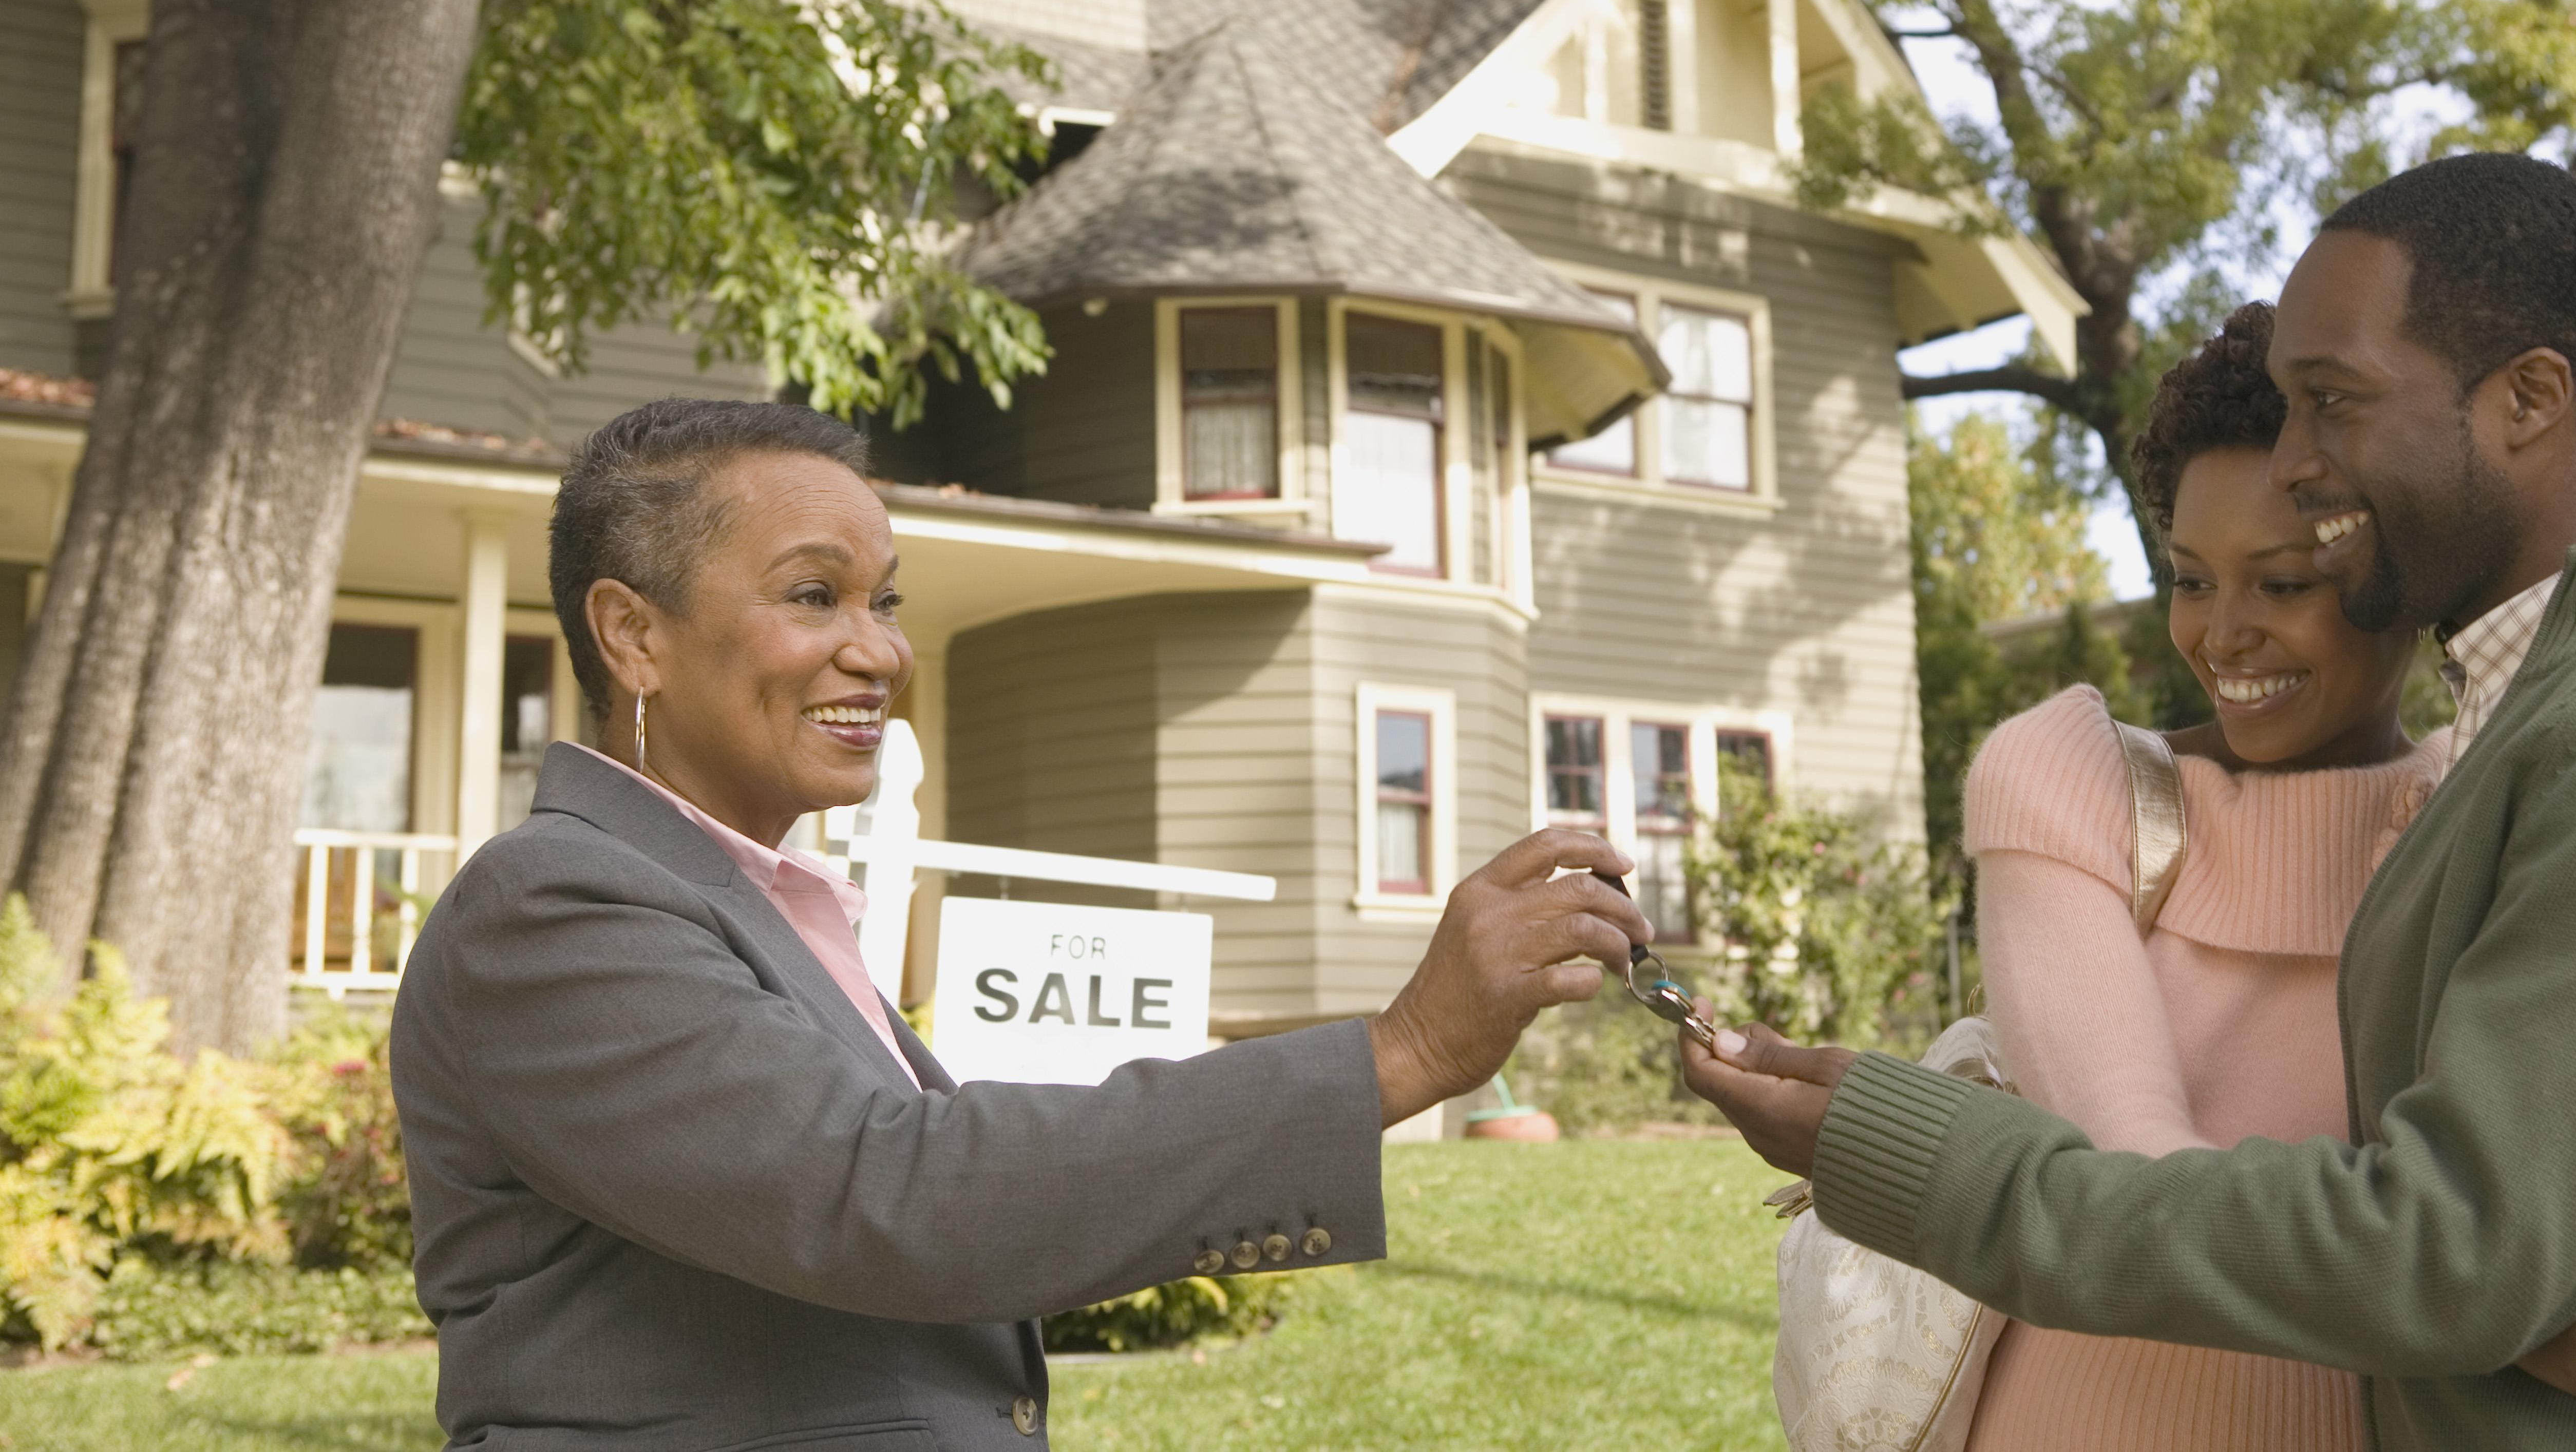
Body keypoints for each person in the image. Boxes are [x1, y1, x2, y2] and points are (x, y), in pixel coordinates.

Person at [1689, 155, 2576, 1449]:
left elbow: (2461, 1247)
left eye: (2333, 404)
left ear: (2530, 398)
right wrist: (2512, 1286)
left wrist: (1925, 1156)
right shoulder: (2561, 708)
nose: (2300, 464)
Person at [390, 397, 1652, 1451]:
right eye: (815, 594)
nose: (875, 649)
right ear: (632, 633)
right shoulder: (553, 905)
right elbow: (892, 1194)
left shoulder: (756, 905)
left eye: (883, 600)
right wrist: (1401, 1053)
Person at [1957, 302, 2576, 1451]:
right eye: (2192, 578)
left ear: (2391, 570)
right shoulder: (2071, 779)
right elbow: (2124, 1168)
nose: (2220, 633)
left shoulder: (2522, 785)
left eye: (2284, 582)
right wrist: (2497, 1310)